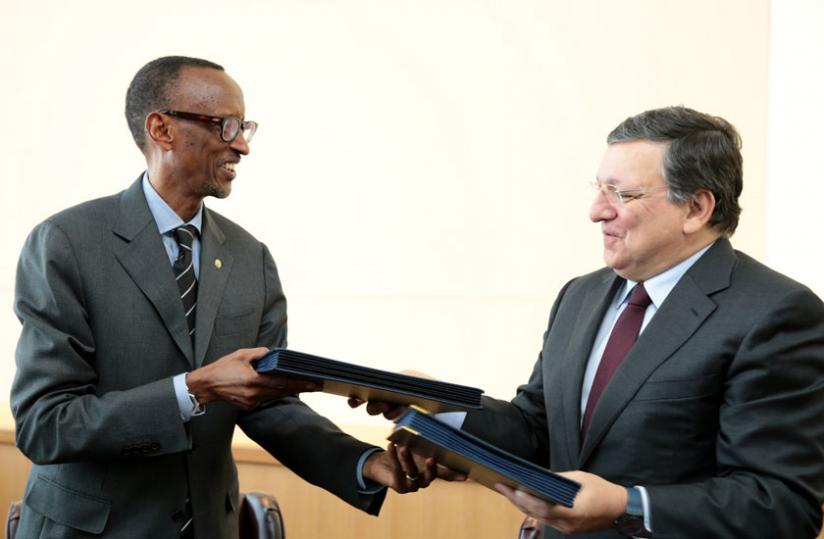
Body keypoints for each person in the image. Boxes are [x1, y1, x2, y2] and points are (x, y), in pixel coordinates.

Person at [10, 56, 434, 539]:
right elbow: (46, 423)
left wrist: (368, 463)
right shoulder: (66, 243)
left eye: (245, 127)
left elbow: (269, 405)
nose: (242, 145)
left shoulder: (251, 258)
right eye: (225, 125)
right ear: (162, 129)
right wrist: (194, 389)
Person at [362, 106, 824, 537]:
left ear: (696, 208)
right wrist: (439, 403)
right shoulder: (580, 295)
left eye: (622, 194)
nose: (597, 211)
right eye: (599, 189)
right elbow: (537, 432)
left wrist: (627, 503)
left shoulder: (775, 313)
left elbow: (781, 504)